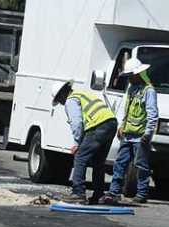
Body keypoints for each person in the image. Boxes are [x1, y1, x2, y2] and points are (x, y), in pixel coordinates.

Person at [103, 58, 159, 204]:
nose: (129, 78)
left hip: (140, 136)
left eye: (130, 75)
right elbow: (127, 110)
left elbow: (152, 114)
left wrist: (148, 133)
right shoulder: (132, 89)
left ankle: (142, 193)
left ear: (138, 74)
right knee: (119, 163)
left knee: (141, 165)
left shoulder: (149, 91)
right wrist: (122, 126)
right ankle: (114, 191)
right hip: (127, 134)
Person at [52, 80, 118, 204]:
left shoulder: (71, 100)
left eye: (59, 100)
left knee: (80, 157)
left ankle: (78, 193)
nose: (61, 103)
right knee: (98, 162)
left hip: (98, 125)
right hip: (111, 123)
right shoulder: (81, 93)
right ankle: (98, 194)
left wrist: (77, 143)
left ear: (62, 94)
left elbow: (77, 123)